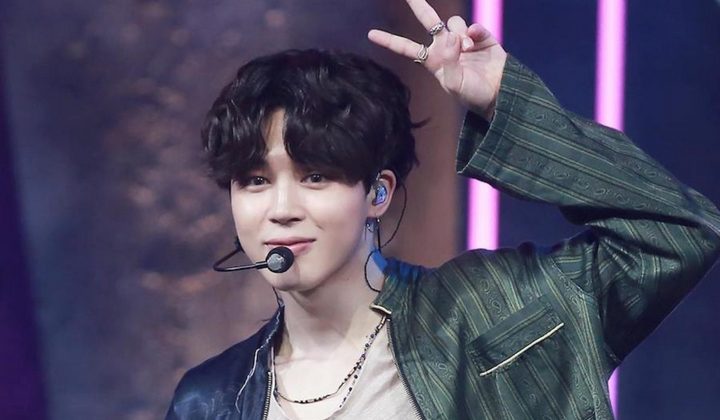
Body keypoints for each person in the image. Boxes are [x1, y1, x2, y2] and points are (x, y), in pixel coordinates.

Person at [166, 0, 720, 418]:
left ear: (377, 193)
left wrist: (508, 104)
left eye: (315, 176)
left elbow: (679, 234)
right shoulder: (211, 399)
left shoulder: (491, 312)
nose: (281, 209)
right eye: (256, 181)